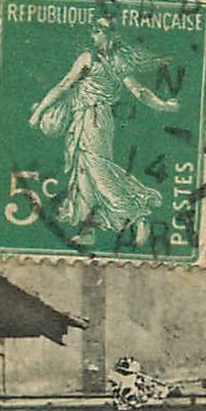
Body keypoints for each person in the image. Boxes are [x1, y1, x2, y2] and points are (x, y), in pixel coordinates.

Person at [27, 17, 179, 248]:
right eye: (93, 31)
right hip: (88, 119)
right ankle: (89, 230)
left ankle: (136, 214)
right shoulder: (110, 60)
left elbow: (138, 91)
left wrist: (163, 106)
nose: (94, 35)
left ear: (111, 34)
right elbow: (66, 85)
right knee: (83, 174)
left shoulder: (99, 60)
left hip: (94, 120)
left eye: (99, 31)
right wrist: (40, 111)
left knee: (97, 171)